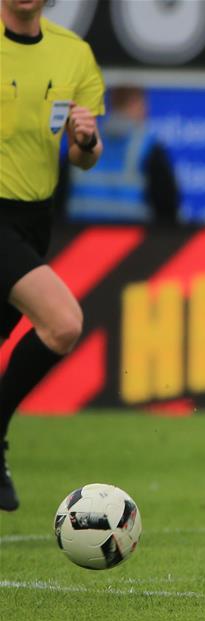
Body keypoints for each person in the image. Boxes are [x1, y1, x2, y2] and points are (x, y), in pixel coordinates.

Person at [0, 0, 105, 511]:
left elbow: (84, 157)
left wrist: (85, 140)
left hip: (32, 218)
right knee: (62, 322)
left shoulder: (72, 54)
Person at [66, 85, 179, 224]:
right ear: (135, 103)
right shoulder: (150, 149)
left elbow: (57, 200)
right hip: (136, 243)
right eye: (143, 104)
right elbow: (167, 209)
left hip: (76, 241)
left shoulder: (81, 141)